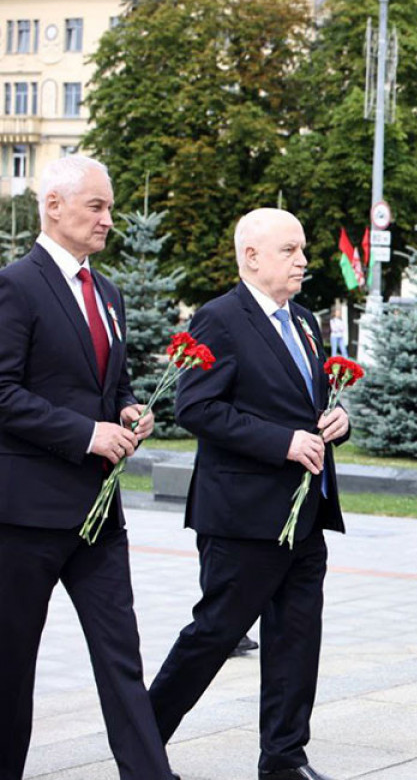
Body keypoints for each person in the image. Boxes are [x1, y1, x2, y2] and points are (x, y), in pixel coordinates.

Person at [149, 208, 350, 780]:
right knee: (214, 634)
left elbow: (308, 402)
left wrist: (338, 420)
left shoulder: (307, 321)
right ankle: (141, 738)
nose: (304, 260)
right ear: (251, 256)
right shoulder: (219, 319)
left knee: (295, 640)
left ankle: (284, 759)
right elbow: (196, 407)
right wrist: (282, 443)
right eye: (290, 250)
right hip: (242, 517)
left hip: (305, 515)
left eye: (303, 249)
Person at [0, 155, 176, 780]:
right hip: (24, 517)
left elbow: (113, 385)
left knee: (120, 657)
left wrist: (128, 411)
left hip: (98, 518)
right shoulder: (15, 285)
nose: (109, 219)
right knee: (12, 666)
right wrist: (85, 433)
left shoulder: (108, 292)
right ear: (54, 207)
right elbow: (2, 392)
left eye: (109, 206)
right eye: (96, 206)